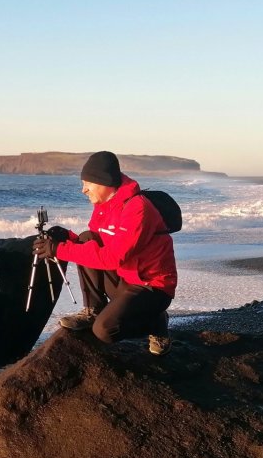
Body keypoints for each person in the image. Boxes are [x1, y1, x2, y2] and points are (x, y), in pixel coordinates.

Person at [33, 151, 177, 354]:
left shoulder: (137, 208)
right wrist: (68, 237)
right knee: (86, 238)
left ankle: (157, 323)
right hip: (125, 277)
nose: (83, 190)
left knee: (105, 331)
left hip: (151, 286)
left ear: (104, 182)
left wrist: (59, 250)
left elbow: (113, 257)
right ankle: (93, 309)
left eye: (87, 184)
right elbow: (97, 243)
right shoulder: (104, 205)